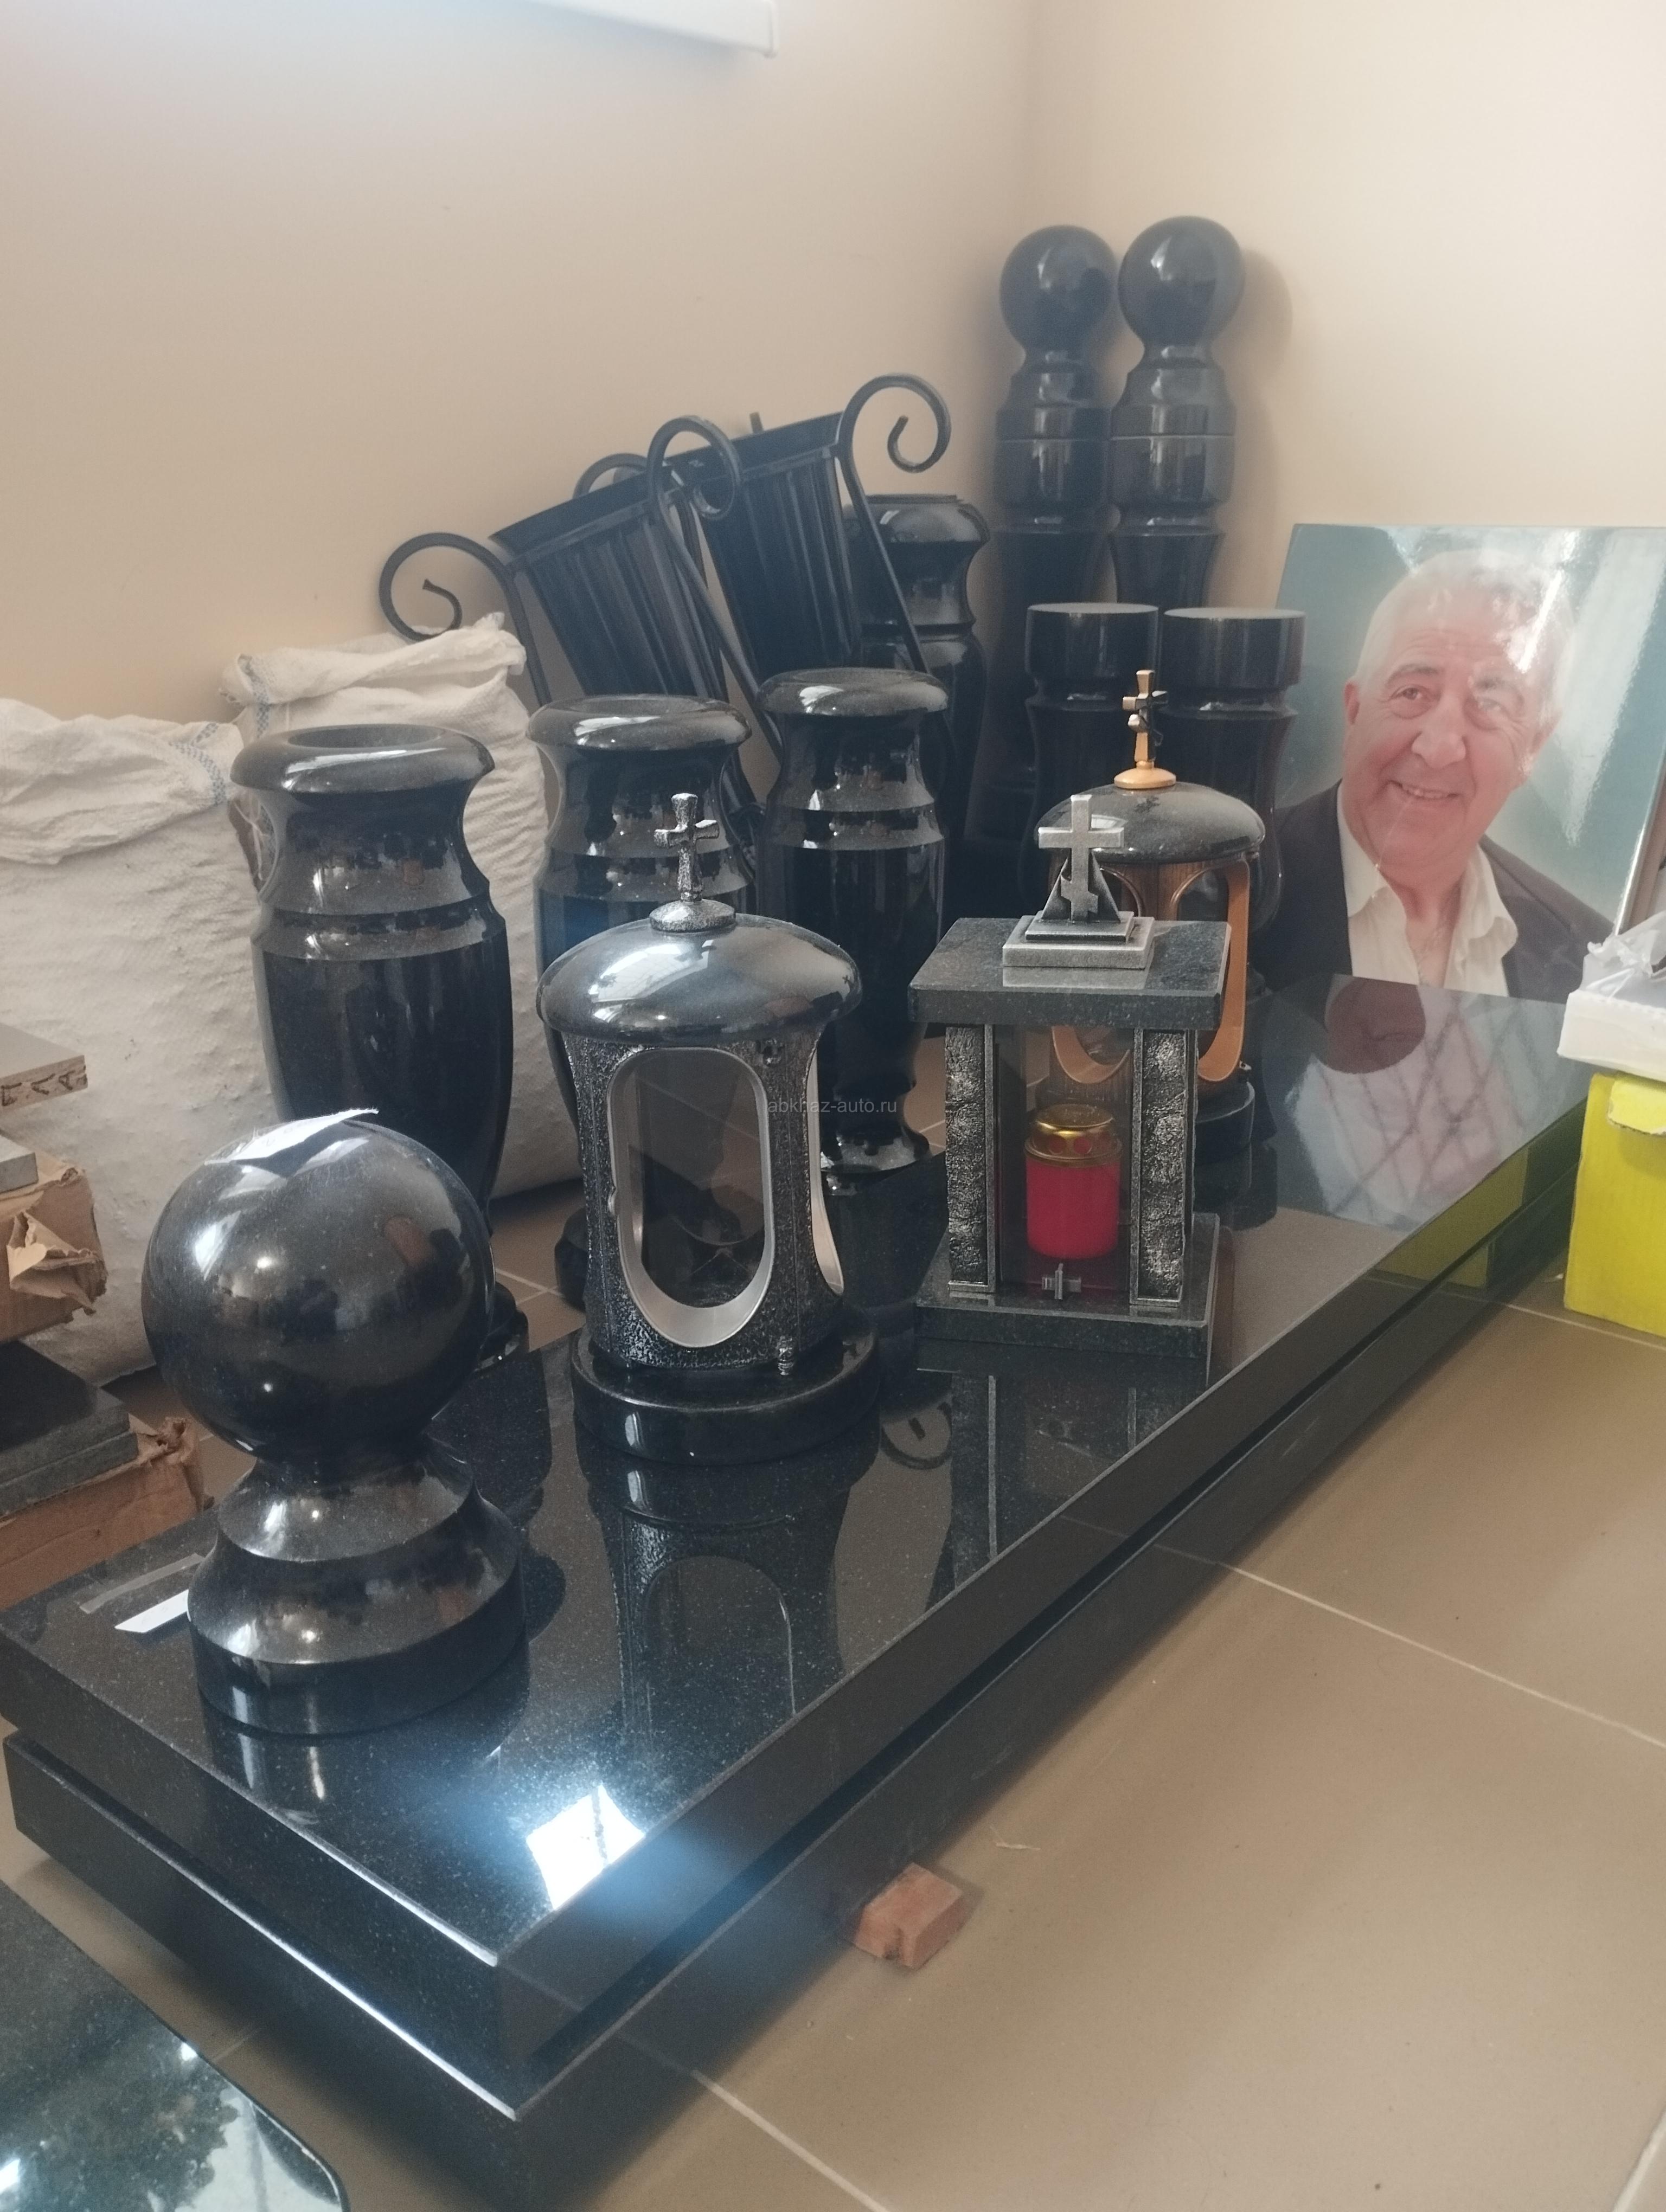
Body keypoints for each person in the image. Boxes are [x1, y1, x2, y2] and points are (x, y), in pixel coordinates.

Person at [1255, 550, 1609, 1001]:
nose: (1439, 749)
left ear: (1533, 746)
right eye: (1413, 692)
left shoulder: (1587, 959)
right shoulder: (1224, 897)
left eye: (1491, 704)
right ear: (1355, 711)